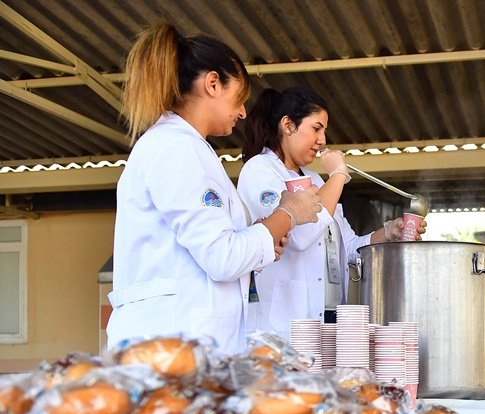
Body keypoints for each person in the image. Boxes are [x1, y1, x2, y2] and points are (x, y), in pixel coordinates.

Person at [106, 24, 322, 355]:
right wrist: (288, 213)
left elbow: (212, 250)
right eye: (239, 98)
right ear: (212, 84)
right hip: (172, 349)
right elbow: (222, 257)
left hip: (181, 347)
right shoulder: (177, 150)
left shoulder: (189, 149)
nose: (243, 112)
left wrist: (261, 244)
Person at [238, 86, 422, 334]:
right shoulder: (260, 170)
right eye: (316, 128)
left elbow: (349, 248)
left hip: (328, 317)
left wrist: (387, 234)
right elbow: (301, 237)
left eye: (324, 131)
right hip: (282, 323)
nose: (322, 140)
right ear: (288, 125)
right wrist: (338, 174)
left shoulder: (316, 179)